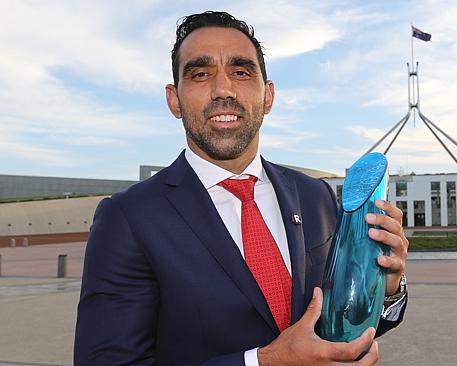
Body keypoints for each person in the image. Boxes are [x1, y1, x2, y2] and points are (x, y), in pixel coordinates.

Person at [74, 11, 408, 366]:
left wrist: (384, 289)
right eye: (201, 74)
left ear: (268, 95)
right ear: (174, 100)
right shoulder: (129, 217)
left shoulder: (316, 196)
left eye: (241, 72)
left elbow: (335, 326)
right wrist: (263, 361)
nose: (223, 89)